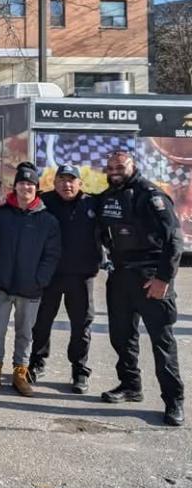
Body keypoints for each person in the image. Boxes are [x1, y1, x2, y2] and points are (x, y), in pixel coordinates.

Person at [96, 149, 184, 426]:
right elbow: (101, 229)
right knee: (122, 336)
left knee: (162, 342)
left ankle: (173, 401)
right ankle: (130, 385)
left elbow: (174, 239)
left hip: (151, 276)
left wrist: (163, 278)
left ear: (133, 165)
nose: (114, 170)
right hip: (121, 276)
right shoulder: (108, 196)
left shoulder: (151, 194)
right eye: (110, 167)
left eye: (120, 166)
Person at [0, 164, 61, 397]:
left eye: (31, 184)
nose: (26, 187)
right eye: (22, 183)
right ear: (14, 186)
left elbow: (52, 254)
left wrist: (40, 279)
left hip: (31, 288)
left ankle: (20, 372)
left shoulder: (48, 220)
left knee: (25, 333)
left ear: (36, 188)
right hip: (0, 285)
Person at [30, 163, 102, 394]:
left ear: (80, 183)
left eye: (71, 180)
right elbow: (19, 203)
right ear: (54, 182)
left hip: (81, 276)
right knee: (41, 322)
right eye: (61, 179)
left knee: (81, 325)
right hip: (49, 275)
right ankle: (37, 362)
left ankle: (79, 370)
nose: (66, 184)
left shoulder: (92, 203)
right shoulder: (44, 202)